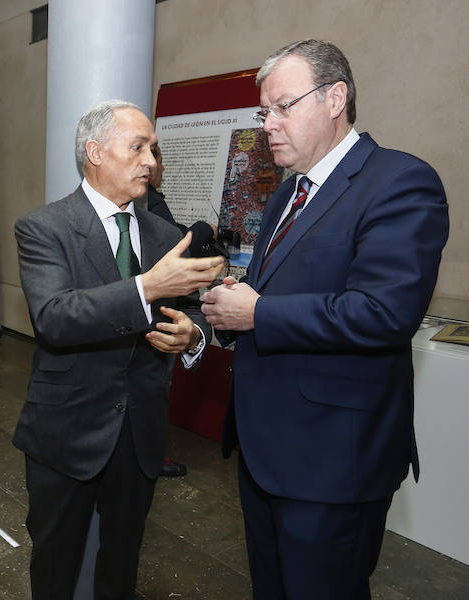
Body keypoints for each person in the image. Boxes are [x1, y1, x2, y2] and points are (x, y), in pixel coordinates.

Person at [201, 39, 449, 600]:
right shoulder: (284, 196)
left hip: (334, 460)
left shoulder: (399, 182)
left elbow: (384, 312)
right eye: (265, 111)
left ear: (336, 98)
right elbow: (282, 291)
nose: (269, 124)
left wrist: (259, 311)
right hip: (265, 451)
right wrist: (234, 307)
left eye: (284, 106)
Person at [13, 99, 225, 598]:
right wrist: (146, 288)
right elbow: (54, 318)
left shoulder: (164, 233)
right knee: (56, 566)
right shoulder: (45, 227)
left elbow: (192, 307)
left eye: (153, 148)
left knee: (121, 564)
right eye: (137, 147)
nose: (151, 161)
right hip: (66, 432)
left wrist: (193, 334)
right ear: (95, 152)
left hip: (140, 434)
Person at [145, 141, 222, 478]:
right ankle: (149, 457)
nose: (153, 163)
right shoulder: (148, 200)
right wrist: (204, 230)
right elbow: (175, 249)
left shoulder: (150, 201)